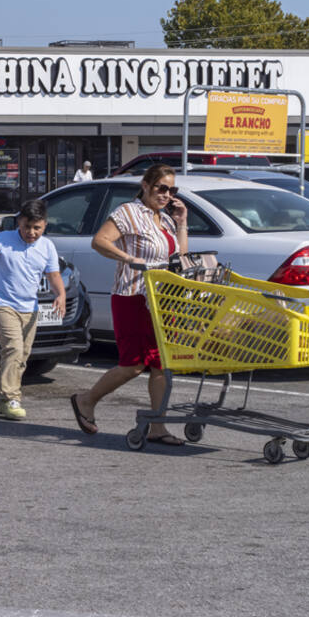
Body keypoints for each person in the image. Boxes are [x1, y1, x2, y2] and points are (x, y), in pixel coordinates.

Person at [69, 163, 187, 444]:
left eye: (172, 190)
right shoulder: (129, 212)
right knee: (133, 364)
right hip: (132, 295)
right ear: (145, 185)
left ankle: (158, 426)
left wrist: (181, 222)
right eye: (161, 188)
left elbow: (180, 256)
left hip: (160, 300)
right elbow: (100, 242)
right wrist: (129, 258)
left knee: (161, 364)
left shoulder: (166, 219)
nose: (166, 195)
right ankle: (86, 400)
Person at [0, 198, 65, 420]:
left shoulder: (47, 246)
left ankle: (3, 400)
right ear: (18, 224)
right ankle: (12, 397)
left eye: (37, 228)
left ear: (45, 225)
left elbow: (53, 275)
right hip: (2, 303)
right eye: (26, 227)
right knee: (13, 348)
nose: (31, 232)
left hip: (29, 307)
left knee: (22, 355)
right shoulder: (3, 239)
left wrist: (59, 294)